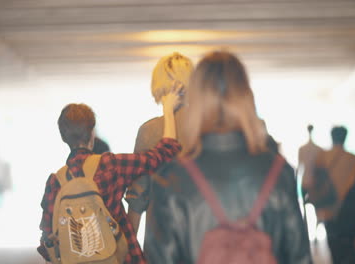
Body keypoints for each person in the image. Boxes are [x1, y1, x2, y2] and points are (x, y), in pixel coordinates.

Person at [144, 51, 312, 264]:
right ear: (246, 97)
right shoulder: (279, 172)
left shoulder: (171, 179)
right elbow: (300, 258)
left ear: (196, 101)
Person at [37, 92, 181, 264]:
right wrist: (168, 109)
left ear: (63, 138)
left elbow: (47, 239)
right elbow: (164, 153)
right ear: (92, 134)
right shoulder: (109, 165)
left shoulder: (55, 182)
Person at [125, 52, 193, 235]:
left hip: (162, 234)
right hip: (205, 235)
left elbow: (138, 196)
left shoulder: (150, 130)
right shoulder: (210, 128)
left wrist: (128, 252)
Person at [314, 126, 355, 264]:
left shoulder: (322, 156)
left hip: (328, 207)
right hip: (347, 209)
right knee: (348, 247)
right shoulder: (353, 158)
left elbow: (316, 180)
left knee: (333, 246)